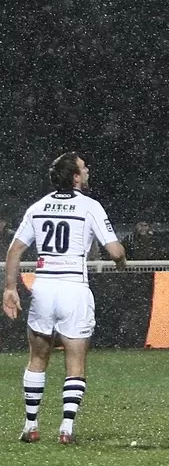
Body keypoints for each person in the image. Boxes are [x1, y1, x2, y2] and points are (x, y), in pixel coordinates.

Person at [3, 153, 127, 444]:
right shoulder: (90, 206)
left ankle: (30, 425)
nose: (87, 171)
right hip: (73, 288)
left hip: (44, 287)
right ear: (75, 177)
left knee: (37, 358)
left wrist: (10, 288)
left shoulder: (38, 207)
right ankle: (66, 428)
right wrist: (122, 263)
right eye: (83, 168)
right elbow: (115, 251)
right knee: (76, 362)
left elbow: (14, 251)